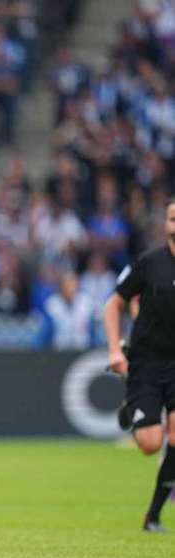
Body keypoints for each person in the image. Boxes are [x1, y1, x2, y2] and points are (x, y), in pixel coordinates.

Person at [104, 199, 175, 533]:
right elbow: (118, 302)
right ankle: (131, 410)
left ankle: (154, 516)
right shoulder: (150, 263)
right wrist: (116, 350)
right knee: (150, 444)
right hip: (147, 360)